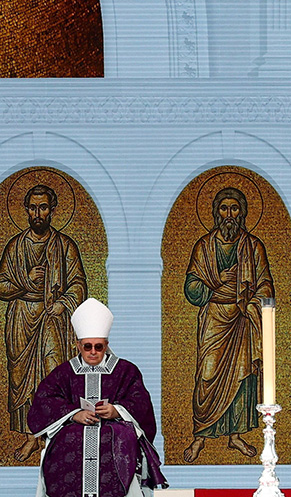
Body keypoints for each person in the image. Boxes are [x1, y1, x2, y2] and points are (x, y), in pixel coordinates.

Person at [28, 298, 166, 497]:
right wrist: (74, 414)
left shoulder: (126, 370)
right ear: (78, 345)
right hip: (74, 431)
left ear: (106, 344)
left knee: (121, 437)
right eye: (87, 346)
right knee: (67, 438)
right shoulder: (63, 372)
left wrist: (116, 410)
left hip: (114, 430)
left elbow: (140, 402)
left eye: (98, 347)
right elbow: (44, 400)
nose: (93, 352)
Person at [182, 187, 273, 462]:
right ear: (215, 212)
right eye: (224, 208)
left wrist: (251, 300)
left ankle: (235, 436)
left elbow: (266, 285)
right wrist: (219, 286)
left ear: (242, 213)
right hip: (214, 318)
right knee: (207, 375)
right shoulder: (204, 246)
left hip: (243, 319)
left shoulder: (253, 246)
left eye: (234, 208)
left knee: (242, 378)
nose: (229, 214)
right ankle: (199, 436)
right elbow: (191, 286)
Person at [0, 183, 87, 461]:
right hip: (21, 320)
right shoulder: (15, 246)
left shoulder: (65, 245)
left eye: (44, 207)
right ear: (26, 210)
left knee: (53, 375)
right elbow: (1, 285)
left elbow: (79, 284)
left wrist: (63, 303)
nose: (38, 213)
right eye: (33, 207)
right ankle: (31, 437)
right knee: (21, 382)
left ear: (52, 210)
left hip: (51, 319)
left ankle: (55, 435)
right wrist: (26, 280)